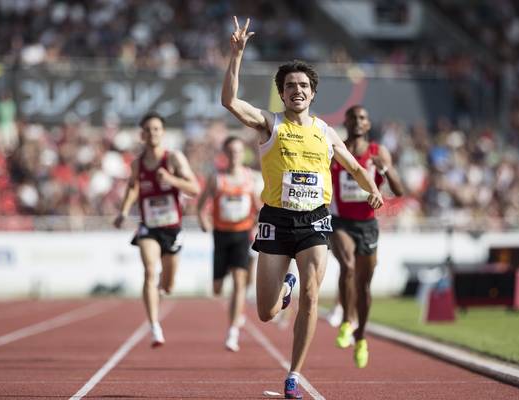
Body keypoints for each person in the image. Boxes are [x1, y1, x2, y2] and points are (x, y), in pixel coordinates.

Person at [221, 17, 383, 399]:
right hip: (276, 221)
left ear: (313, 94)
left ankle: (293, 374)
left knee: (313, 294)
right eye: (290, 85)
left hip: (315, 222)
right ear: (282, 92)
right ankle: (286, 286)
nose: (297, 90)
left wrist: (372, 187)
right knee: (266, 312)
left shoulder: (325, 132)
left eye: (304, 86)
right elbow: (229, 101)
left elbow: (355, 166)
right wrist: (237, 54)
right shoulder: (269, 124)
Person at [114, 111, 201, 347]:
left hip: (172, 227)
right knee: (150, 271)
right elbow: (132, 188)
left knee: (168, 285)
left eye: (156, 129)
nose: (152, 133)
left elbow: (194, 188)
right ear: (142, 135)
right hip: (148, 227)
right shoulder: (137, 164)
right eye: (148, 130)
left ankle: (163, 289)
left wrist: (171, 180)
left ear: (162, 133)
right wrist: (123, 211)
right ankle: (154, 326)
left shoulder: (173, 159)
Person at [330, 105, 404, 368]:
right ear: (346, 121)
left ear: (368, 124)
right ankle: (347, 321)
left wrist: (384, 170)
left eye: (363, 117)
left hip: (367, 224)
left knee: (363, 286)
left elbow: (398, 190)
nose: (358, 121)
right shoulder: (337, 149)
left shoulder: (377, 151)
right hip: (339, 221)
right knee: (347, 265)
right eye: (353, 117)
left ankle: (361, 338)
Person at [196, 135, 261, 352]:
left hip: (243, 235)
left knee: (240, 282)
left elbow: (259, 207)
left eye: (238, 151)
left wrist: (259, 223)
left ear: (243, 154)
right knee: (217, 289)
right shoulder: (216, 178)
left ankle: (232, 332)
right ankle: (232, 306)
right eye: (231, 151)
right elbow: (201, 205)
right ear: (225, 154)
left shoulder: (251, 178)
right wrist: (203, 220)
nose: (235, 155)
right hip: (221, 235)